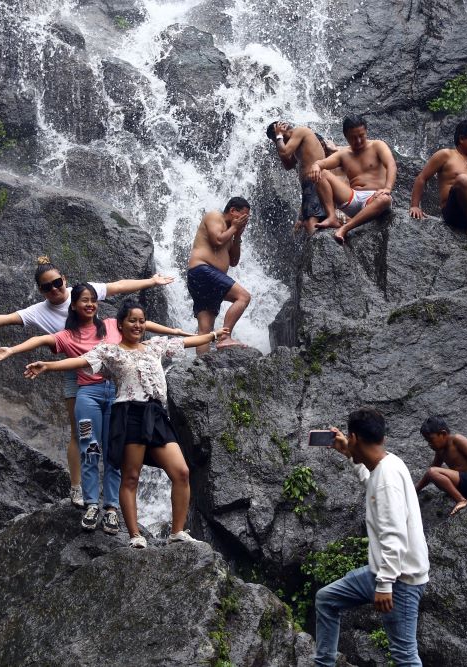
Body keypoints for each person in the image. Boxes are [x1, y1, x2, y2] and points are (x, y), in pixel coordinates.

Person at [0, 257, 177, 508]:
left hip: (108, 372)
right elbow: (7, 319)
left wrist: (152, 283)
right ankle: (77, 487)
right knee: (81, 433)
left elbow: (120, 287)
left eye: (57, 283)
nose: (55, 289)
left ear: (65, 281)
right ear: (41, 291)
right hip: (75, 370)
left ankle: (111, 502)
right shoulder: (40, 312)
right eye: (47, 287)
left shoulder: (83, 294)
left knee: (113, 434)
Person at [23, 298, 230, 548]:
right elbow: (81, 362)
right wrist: (48, 365)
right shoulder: (110, 351)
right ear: (120, 324)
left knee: (181, 472)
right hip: (129, 413)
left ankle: (177, 531)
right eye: (132, 320)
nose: (138, 325)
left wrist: (213, 335)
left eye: (142, 321)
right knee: (131, 476)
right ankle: (135, 535)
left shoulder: (154, 346)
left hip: (156, 414)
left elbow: (187, 342)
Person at [0, 284, 185, 533]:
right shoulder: (67, 335)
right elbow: (41, 340)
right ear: (73, 305)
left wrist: (178, 331)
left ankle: (111, 509)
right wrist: (17, 352)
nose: (90, 304)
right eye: (84, 300)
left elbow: (144, 325)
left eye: (93, 300)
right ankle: (92, 504)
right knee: (90, 449)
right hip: (88, 396)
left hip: (117, 396)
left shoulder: (114, 325)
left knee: (115, 454)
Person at [315, 408, 428, 667]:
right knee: (326, 599)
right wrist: (349, 455)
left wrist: (385, 584)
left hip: (401, 581)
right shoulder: (387, 465)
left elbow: (394, 535)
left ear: (354, 436)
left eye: (349, 440)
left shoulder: (387, 478)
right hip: (381, 572)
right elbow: (372, 482)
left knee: (404, 655)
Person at [308, 115, 396, 245]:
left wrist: (387, 188)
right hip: (352, 198)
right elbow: (322, 163)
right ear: (345, 136)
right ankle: (331, 217)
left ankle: (345, 228)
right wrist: (316, 165)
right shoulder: (344, 154)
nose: (359, 141)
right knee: (322, 173)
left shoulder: (378, 145)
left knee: (385, 199)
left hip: (375, 197)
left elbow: (391, 165)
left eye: (362, 136)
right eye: (354, 138)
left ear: (366, 131)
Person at [186, 197, 251, 352]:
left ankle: (201, 369)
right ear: (233, 210)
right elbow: (217, 240)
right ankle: (225, 336)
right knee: (243, 297)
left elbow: (234, 261)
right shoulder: (215, 216)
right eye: (243, 216)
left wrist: (237, 236)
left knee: (205, 331)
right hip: (203, 270)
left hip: (205, 277)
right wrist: (234, 228)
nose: (244, 221)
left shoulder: (230, 231)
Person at [415, 416, 467, 516]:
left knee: (432, 472)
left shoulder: (457, 440)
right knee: (432, 473)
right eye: (427, 442)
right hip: (462, 486)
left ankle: (461, 500)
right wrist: (414, 490)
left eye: (431, 440)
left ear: (443, 434)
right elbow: (430, 475)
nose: (430, 444)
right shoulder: (440, 451)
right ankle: (461, 497)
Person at [267, 121, 330, 234]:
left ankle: (318, 248)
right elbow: (288, 165)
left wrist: (279, 136)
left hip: (314, 180)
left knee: (311, 220)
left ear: (284, 129)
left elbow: (285, 153)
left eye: (277, 139)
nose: (279, 143)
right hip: (309, 184)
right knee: (306, 222)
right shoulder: (297, 145)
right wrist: (279, 140)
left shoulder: (300, 131)